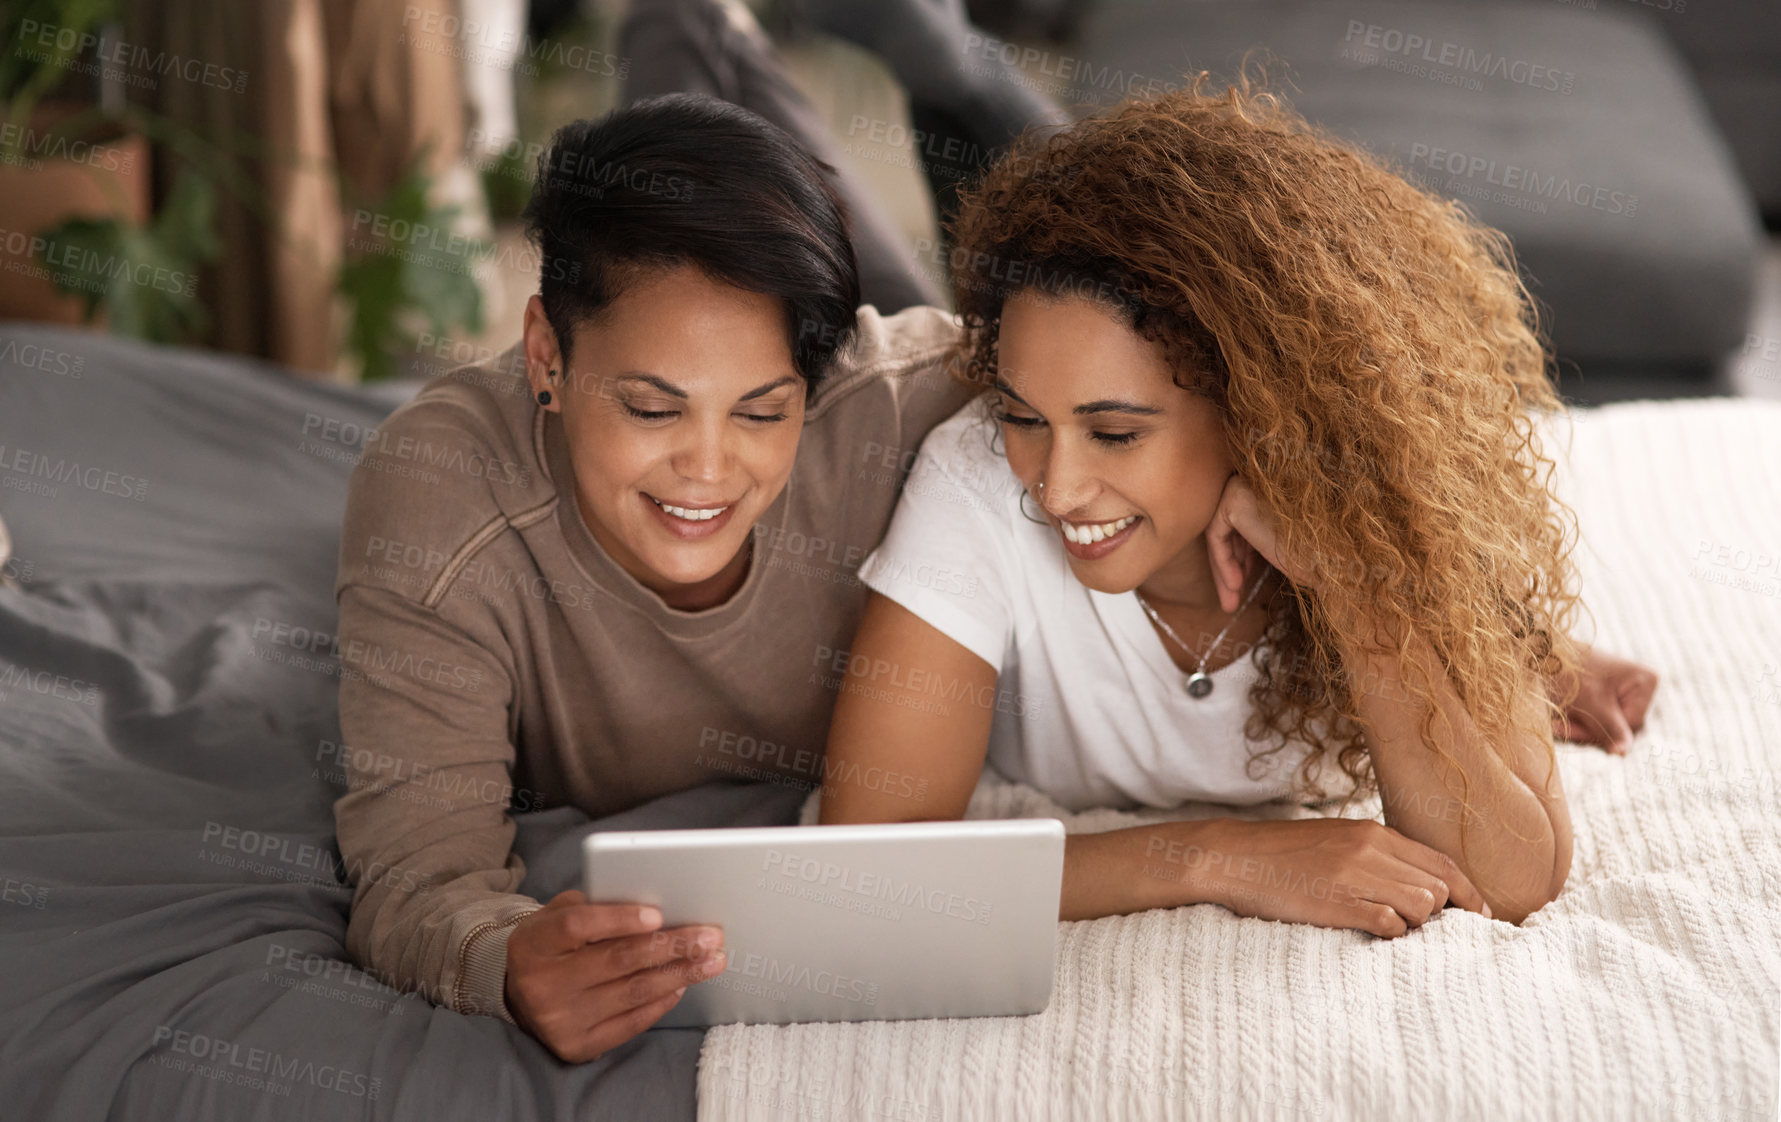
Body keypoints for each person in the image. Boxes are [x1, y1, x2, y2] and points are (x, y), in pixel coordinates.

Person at [816, 77, 1660, 934]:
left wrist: (1352, 587)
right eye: (1024, 417)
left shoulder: (1399, 501)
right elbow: (873, 865)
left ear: (1255, 409)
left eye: (1114, 433)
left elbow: (1514, 881)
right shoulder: (975, 479)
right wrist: (1219, 855)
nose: (1055, 488)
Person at [330, 93, 973, 1063]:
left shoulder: (887, 407)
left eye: (760, 414)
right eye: (650, 409)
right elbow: (416, 884)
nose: (707, 472)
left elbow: (1153, 371)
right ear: (546, 355)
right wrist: (500, 957)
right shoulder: (439, 502)